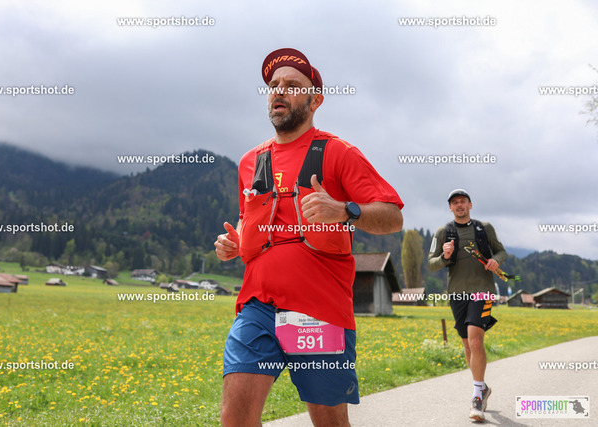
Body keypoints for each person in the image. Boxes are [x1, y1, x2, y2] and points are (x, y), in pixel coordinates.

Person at [214, 48, 403, 426]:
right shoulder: (251, 161)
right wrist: (234, 243)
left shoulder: (338, 152)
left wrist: (345, 210)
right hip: (257, 307)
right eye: (273, 85)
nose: (278, 90)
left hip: (319, 311)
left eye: (291, 85)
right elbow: (251, 219)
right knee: (234, 418)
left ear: (315, 100)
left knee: (329, 422)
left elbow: (393, 217)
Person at [428, 189, 507, 422]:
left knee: (475, 339)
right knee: (467, 344)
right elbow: (431, 264)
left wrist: (495, 261)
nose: (459, 205)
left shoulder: (485, 228)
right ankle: (482, 387)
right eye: (455, 202)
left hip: (483, 291)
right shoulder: (443, 232)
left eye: (463, 201)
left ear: (470, 205)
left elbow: (501, 251)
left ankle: (476, 397)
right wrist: (444, 256)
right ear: (450, 208)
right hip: (457, 293)